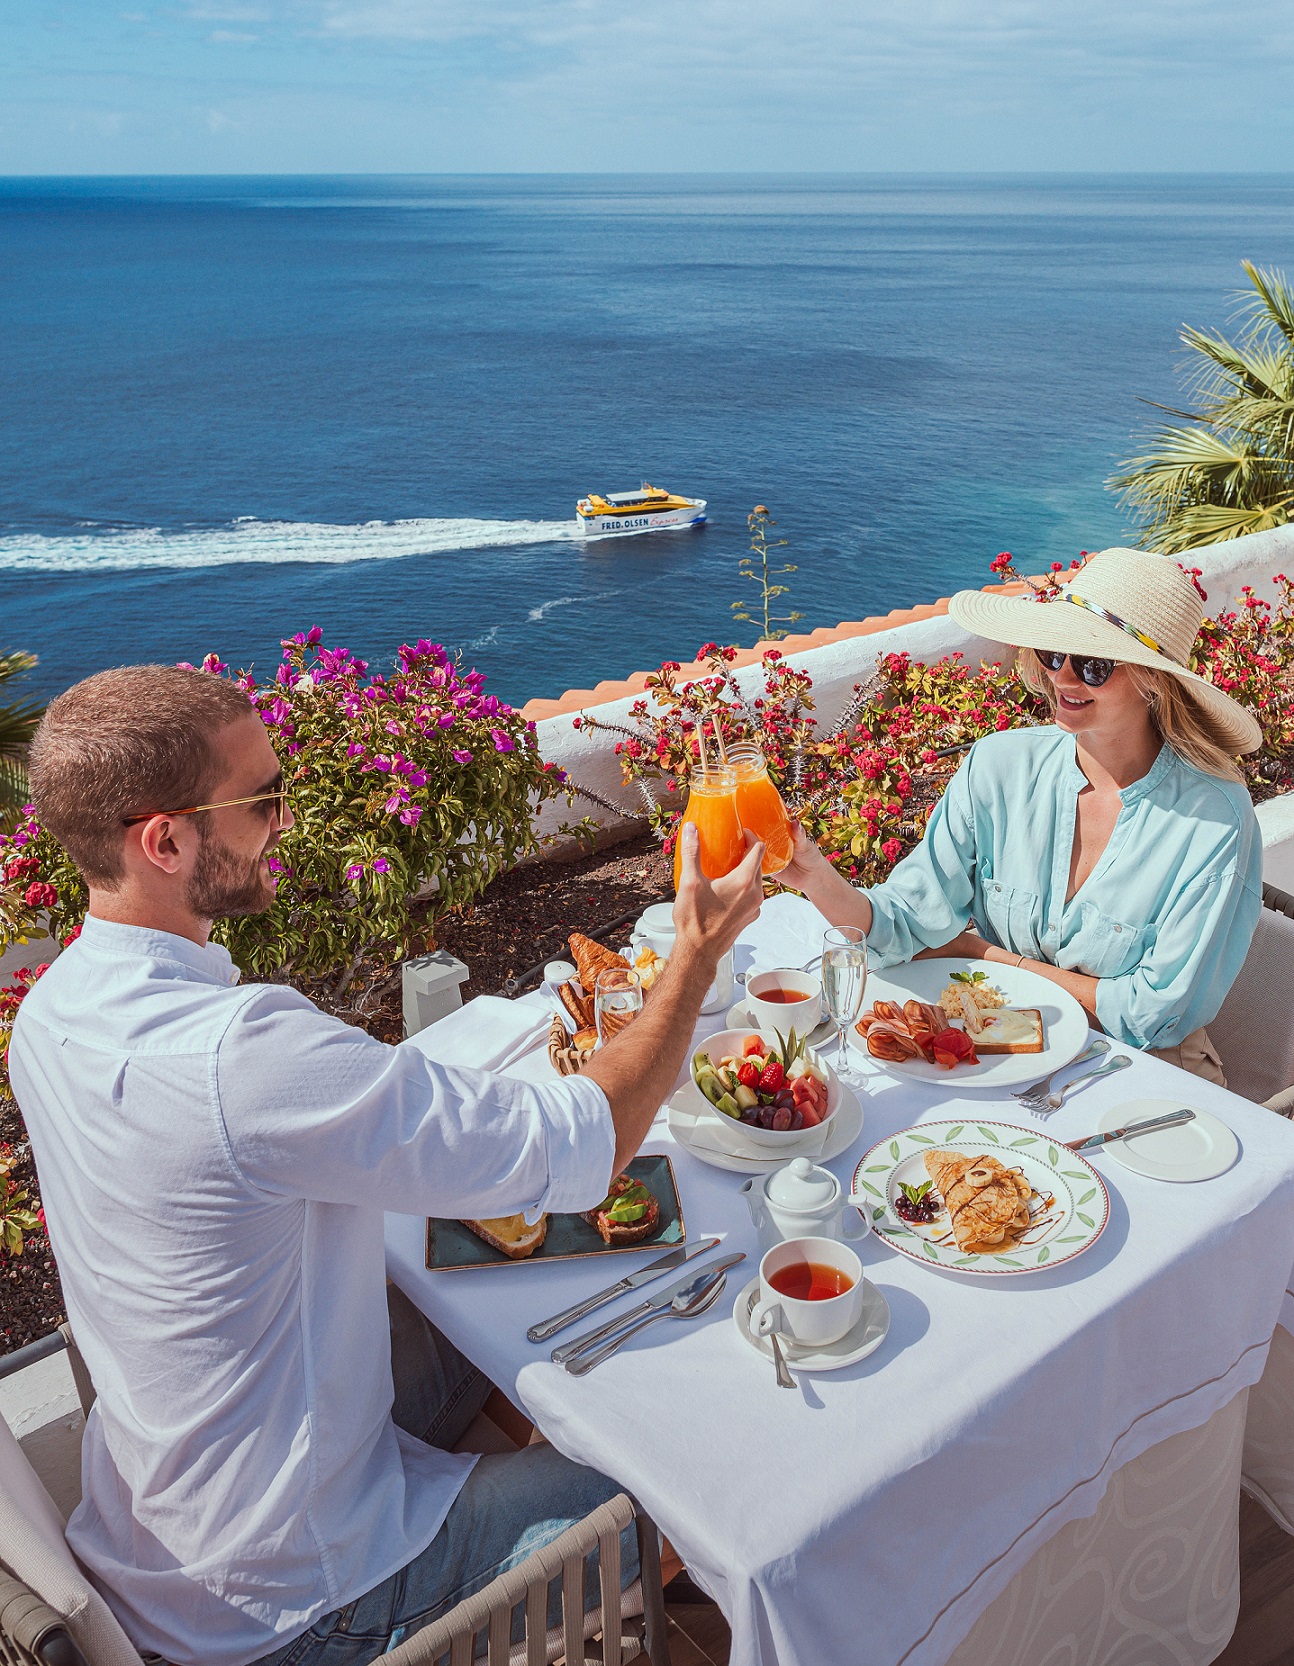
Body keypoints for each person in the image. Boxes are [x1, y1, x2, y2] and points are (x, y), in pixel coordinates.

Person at [7, 664, 765, 1666]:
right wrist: (695, 956)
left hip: (178, 1520)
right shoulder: (239, 1056)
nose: (285, 820)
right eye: (263, 799)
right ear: (165, 840)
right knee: (714, 1485)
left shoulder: (54, 1010)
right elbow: (578, 1145)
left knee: (508, 1298)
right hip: (302, 1598)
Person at [779, 547, 1264, 1084]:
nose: (1064, 677)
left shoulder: (1214, 819)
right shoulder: (998, 765)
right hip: (1002, 1049)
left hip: (1143, 1073)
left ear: (1154, 680)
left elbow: (1153, 1014)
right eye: (1055, 654)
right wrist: (813, 876)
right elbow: (902, 923)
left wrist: (983, 955)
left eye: (1095, 665)